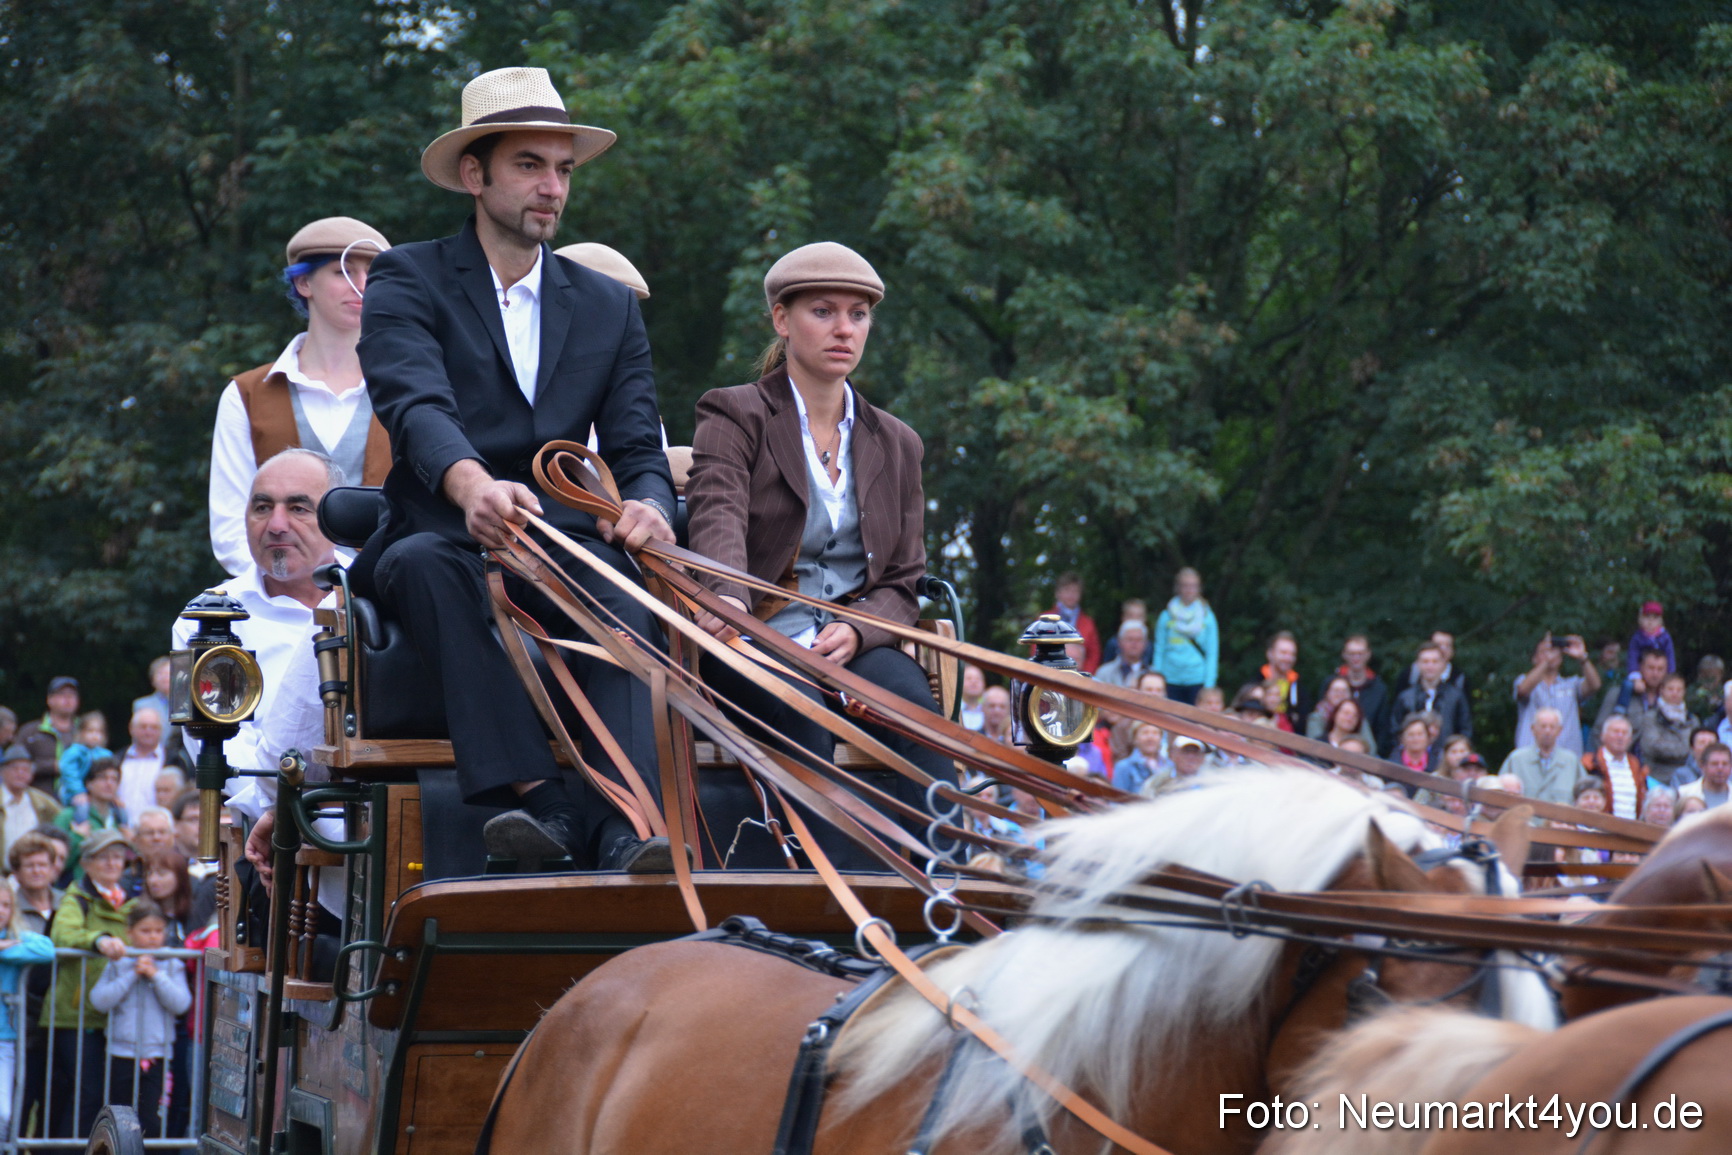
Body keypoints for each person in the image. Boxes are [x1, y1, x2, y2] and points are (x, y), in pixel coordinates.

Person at [355, 66, 674, 872]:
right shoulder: (406, 277)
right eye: (531, 165)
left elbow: (638, 446)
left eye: (563, 169)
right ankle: (540, 804)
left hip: (564, 544)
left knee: (627, 589)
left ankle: (623, 823)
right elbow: (415, 404)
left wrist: (646, 504)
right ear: (475, 173)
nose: (553, 188)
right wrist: (470, 487)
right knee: (426, 564)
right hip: (442, 531)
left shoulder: (609, 305)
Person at [687, 241, 957, 867]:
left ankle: (948, 883)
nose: (844, 329)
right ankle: (821, 895)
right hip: (751, 638)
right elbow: (717, 516)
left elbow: (904, 580)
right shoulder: (734, 413)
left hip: (849, 641)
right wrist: (729, 601)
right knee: (798, 711)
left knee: (917, 712)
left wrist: (860, 631)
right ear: (782, 320)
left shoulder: (898, 442)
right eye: (824, 311)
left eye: (858, 314)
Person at [209, 216, 393, 575]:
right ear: (303, 281)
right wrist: (288, 593)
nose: (361, 286)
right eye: (344, 273)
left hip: (392, 601)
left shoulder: (410, 389)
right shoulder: (246, 395)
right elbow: (231, 528)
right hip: (277, 604)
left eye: (372, 274)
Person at [46, 828, 135, 1136]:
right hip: (76, 1014)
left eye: (117, 856)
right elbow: (62, 935)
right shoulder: (76, 897)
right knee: (85, 1092)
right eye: (103, 857)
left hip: (115, 1014)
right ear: (86, 862)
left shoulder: (131, 900)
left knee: (102, 1095)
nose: (112, 863)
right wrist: (97, 939)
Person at [89, 898, 191, 1139]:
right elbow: (99, 1000)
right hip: (121, 1053)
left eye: (158, 931)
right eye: (145, 931)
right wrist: (132, 974)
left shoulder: (171, 963)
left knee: (151, 1123)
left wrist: (155, 975)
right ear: (130, 932)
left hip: (157, 1056)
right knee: (120, 1121)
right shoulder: (119, 963)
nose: (153, 937)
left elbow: (181, 1003)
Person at [9, 831, 61, 1142]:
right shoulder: (9, 905)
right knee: (21, 1094)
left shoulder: (65, 901)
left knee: (56, 1095)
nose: (38, 871)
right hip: (22, 1011)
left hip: (59, 1011)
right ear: (16, 872)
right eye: (30, 866)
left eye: (43, 864)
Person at [0, 882, 52, 1141]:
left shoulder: (14, 935)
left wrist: (5, 949)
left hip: (4, 1038)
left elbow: (47, 949)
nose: (1, 910)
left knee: (4, 1113)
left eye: (6, 904)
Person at [1512, 633, 1599, 756]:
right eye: (1545, 651)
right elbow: (1523, 690)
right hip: (1530, 756)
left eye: (1554, 651)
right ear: (1534, 658)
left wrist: (1582, 658)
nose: (1551, 654)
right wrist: (1546, 662)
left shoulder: (1571, 684)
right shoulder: (1523, 680)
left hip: (1567, 757)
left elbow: (1594, 685)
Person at [1151, 569, 1217, 704]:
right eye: (1185, 585)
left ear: (1199, 589)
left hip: (1197, 679)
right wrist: (1157, 679)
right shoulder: (1167, 616)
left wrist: (1209, 685)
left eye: (1193, 586)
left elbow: (1212, 652)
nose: (1189, 590)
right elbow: (1159, 649)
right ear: (1178, 588)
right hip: (1170, 678)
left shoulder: (1207, 617)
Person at [55, 758, 128, 876]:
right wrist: (77, 837)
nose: (109, 783)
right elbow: (55, 863)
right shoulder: (68, 816)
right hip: (77, 889)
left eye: (114, 779)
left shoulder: (120, 819)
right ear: (88, 783)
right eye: (102, 778)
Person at [1392, 643, 1472, 743]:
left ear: (1443, 664)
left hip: (1445, 755)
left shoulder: (1456, 697)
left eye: (1435, 662)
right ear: (1418, 664)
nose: (1430, 666)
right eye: (1425, 662)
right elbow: (1395, 731)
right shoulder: (1405, 697)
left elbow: (1465, 731)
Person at [1499, 708, 1579, 807]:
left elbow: (1584, 797)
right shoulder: (1516, 759)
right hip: (1524, 821)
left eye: (1552, 727)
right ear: (1533, 729)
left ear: (1560, 731)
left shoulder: (1571, 761)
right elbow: (1499, 795)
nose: (1547, 731)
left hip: (1560, 822)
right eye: (1543, 726)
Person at [1324, 635, 1392, 752]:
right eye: (1352, 654)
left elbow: (1382, 728)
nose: (1356, 658)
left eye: (1360, 654)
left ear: (1368, 655)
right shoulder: (1332, 684)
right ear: (1344, 655)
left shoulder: (1379, 689)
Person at [17, 677, 79, 795]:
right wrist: (53, 766)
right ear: (49, 700)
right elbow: (15, 766)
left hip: (76, 803)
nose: (68, 699)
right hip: (37, 801)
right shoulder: (30, 731)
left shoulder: (86, 731)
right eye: (61, 694)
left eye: (72, 695)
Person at [1634, 672, 1697, 787]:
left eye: (1679, 690)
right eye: (1671, 689)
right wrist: (1684, 749)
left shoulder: (1693, 720)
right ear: (1662, 690)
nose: (1675, 693)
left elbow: (1697, 750)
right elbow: (1652, 746)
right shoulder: (1650, 717)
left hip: (1686, 780)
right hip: (1656, 777)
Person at [116, 707, 178, 821]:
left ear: (161, 731)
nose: (148, 732)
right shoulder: (117, 759)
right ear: (131, 729)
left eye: (154, 727)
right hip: (122, 829)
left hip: (157, 829)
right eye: (143, 727)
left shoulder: (174, 760)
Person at [0, 746, 60, 864]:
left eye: (25, 769)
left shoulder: (42, 802)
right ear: (2, 772)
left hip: (32, 870)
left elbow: (61, 820)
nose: (20, 773)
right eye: (14, 768)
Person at [1581, 714, 1647, 820]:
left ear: (1630, 739)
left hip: (1631, 830)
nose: (1620, 736)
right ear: (1603, 736)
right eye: (1615, 732)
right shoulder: (1590, 764)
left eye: (1624, 733)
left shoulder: (1638, 767)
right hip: (1600, 828)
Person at [56, 710, 110, 814]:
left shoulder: (106, 755)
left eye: (99, 732)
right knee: (83, 808)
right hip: (73, 793)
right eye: (90, 731)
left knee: (119, 809)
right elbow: (69, 774)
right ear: (80, 733)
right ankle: (80, 827)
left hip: (98, 794)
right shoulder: (74, 752)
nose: (95, 735)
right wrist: (78, 792)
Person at [1392, 630, 1469, 699]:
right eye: (1438, 645)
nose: (1443, 649)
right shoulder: (1410, 674)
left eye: (1447, 645)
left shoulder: (1460, 678)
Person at [1257, 631, 1308, 721]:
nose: (1288, 658)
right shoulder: (1256, 682)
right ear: (1270, 654)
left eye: (1292, 654)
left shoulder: (1299, 689)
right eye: (1283, 653)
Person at [1111, 722, 1169, 794]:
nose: (1150, 738)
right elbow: (1116, 799)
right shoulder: (1124, 767)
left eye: (1155, 733)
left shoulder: (1169, 766)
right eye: (1145, 733)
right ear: (1135, 739)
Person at [1625, 600, 1675, 680]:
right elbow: (1633, 657)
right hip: (1641, 675)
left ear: (1660, 621)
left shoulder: (1665, 637)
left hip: (1661, 674)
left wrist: (1670, 674)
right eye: (1647, 617)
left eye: (1655, 618)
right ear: (1640, 619)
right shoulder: (1637, 638)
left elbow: (1670, 656)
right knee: (1628, 686)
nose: (1650, 622)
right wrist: (1635, 674)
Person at [1095, 620, 1151, 688]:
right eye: (1130, 639)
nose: (1134, 643)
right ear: (1120, 642)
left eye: (1139, 640)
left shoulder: (1152, 675)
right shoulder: (1104, 673)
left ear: (1145, 644)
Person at [1679, 743, 1732, 810]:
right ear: (1703, 766)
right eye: (1714, 764)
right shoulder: (1684, 794)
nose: (1720, 768)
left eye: (1725, 764)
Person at [1099, 598, 1147, 666]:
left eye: (1139, 616)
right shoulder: (1113, 643)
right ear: (1123, 618)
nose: (1134, 620)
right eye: (1131, 616)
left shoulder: (1148, 645)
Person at [1688, 655, 1725, 721]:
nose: (1709, 679)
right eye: (1705, 674)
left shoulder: (1725, 690)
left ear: (1720, 674)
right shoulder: (1692, 690)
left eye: (1713, 675)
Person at [957, 666, 987, 731]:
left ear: (984, 684)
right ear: (959, 682)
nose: (973, 681)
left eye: (978, 679)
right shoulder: (952, 708)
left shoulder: (990, 709)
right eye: (968, 678)